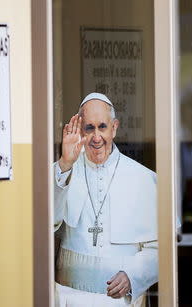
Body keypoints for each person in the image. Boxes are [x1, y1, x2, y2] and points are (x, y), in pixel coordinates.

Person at [54, 93, 158, 307]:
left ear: (114, 128)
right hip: (69, 298)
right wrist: (64, 164)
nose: (96, 137)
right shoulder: (63, 170)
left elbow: (160, 247)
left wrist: (133, 275)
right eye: (89, 128)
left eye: (102, 127)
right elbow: (45, 222)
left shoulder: (141, 177)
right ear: (80, 129)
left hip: (120, 301)